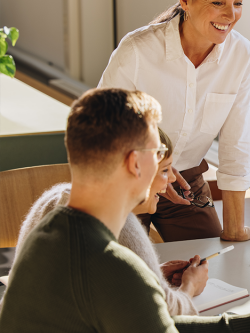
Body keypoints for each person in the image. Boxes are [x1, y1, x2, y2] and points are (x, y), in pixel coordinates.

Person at [0, 88, 250, 333]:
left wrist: (248, 325)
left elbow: (147, 326)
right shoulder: (110, 264)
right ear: (135, 163)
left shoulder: (49, 232)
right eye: (159, 157)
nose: (169, 177)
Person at [98, 0, 250, 242]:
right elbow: (99, 128)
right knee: (127, 271)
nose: (230, 14)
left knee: (210, 266)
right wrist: (153, 166)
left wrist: (235, 228)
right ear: (185, 1)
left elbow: (235, 142)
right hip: (127, 179)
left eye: (238, 3)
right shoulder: (137, 50)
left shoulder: (241, 55)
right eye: (218, 2)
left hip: (186, 183)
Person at [3, 128, 206, 315]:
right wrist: (190, 286)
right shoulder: (120, 223)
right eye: (165, 170)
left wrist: (148, 274)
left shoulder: (55, 198)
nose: (171, 179)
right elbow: (163, 311)